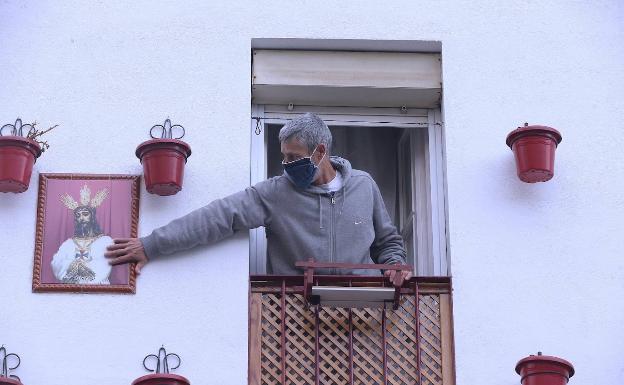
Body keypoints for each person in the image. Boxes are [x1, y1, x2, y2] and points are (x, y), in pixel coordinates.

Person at [106, 113, 411, 284]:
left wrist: (395, 266)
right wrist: (152, 245)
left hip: (361, 314)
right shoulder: (276, 193)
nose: (288, 164)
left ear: (320, 152)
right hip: (296, 316)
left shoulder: (364, 186)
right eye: (284, 157)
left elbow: (388, 242)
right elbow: (218, 216)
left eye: (295, 157)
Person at [52, 185, 112, 284]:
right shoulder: (69, 243)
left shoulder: (105, 241)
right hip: (70, 291)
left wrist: (81, 267)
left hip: (99, 292)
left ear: (92, 217)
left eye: (85, 214)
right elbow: (57, 264)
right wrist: (73, 265)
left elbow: (103, 266)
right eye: (78, 215)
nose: (81, 218)